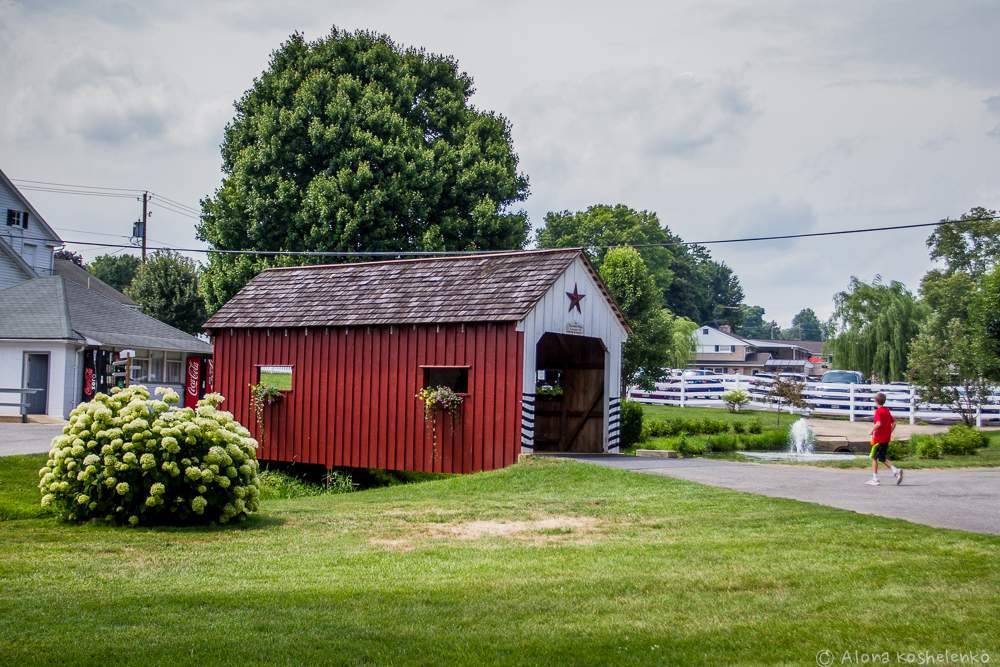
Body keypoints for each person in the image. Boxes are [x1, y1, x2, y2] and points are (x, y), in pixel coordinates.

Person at [866, 392, 903, 486]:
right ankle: (896, 471)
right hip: (886, 438)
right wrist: (889, 431)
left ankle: (875, 479)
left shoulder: (878, 411)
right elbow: (894, 422)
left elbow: (878, 424)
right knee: (881, 458)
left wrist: (871, 431)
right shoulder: (886, 410)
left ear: (876, 401)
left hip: (878, 439)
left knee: (874, 457)